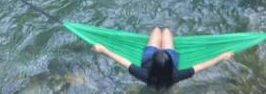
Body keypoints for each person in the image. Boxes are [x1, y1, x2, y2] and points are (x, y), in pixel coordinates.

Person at [93, 27, 234, 89]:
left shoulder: (144, 74)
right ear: (170, 64)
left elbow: (122, 60)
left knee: (157, 30)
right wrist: (222, 56)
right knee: (165, 31)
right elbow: (203, 65)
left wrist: (103, 50)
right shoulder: (175, 75)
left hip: (150, 58)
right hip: (161, 59)